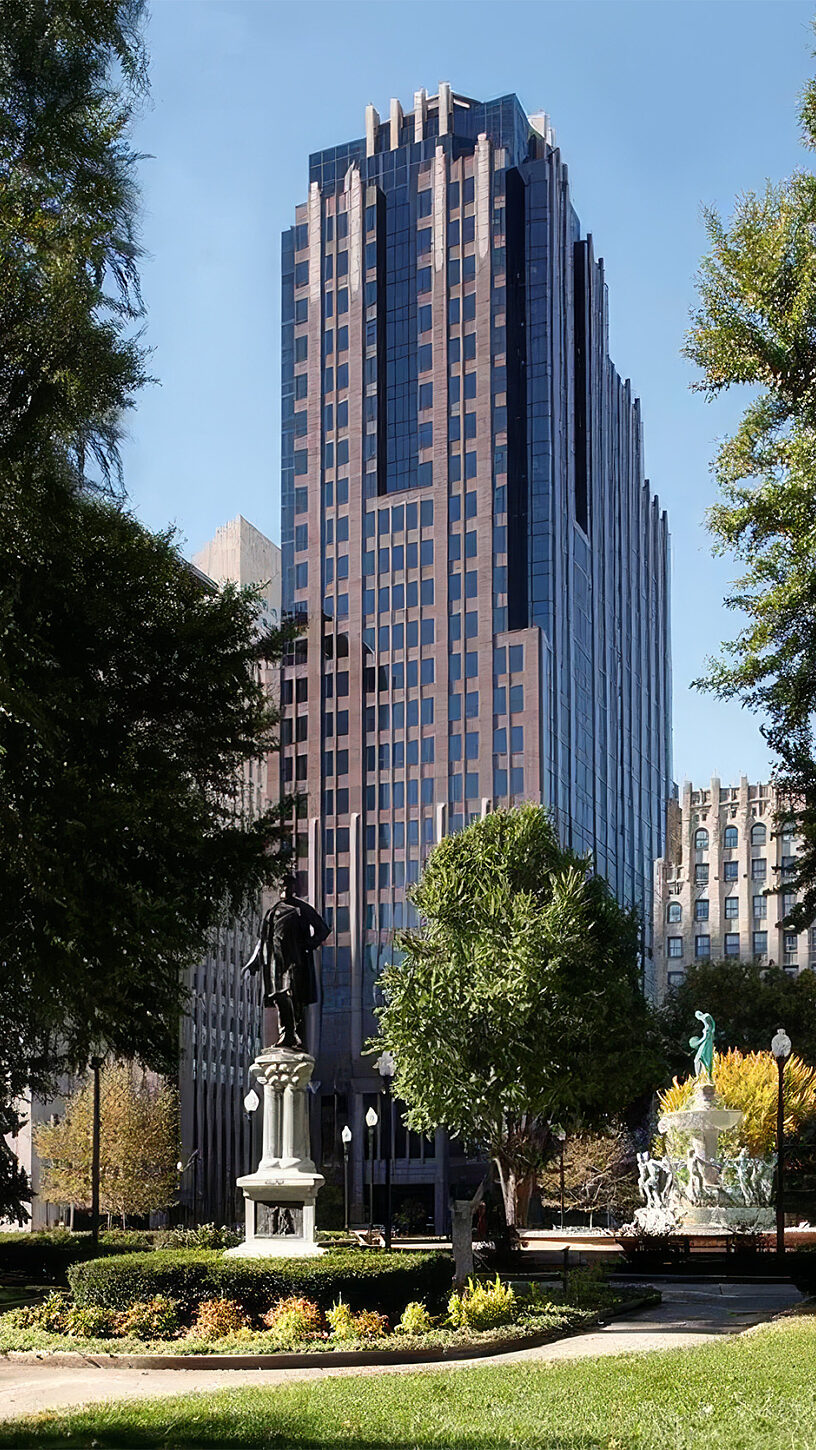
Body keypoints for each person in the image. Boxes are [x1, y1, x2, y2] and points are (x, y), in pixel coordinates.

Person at [243, 874, 330, 1051]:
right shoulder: (272, 912)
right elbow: (263, 940)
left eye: (288, 886)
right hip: (275, 962)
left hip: (295, 960)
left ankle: (295, 1034)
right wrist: (255, 963)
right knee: (279, 996)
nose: (285, 889)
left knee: (293, 994)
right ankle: (286, 1033)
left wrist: (308, 945)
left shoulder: (301, 909)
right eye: (282, 886)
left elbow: (322, 930)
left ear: (294, 888)